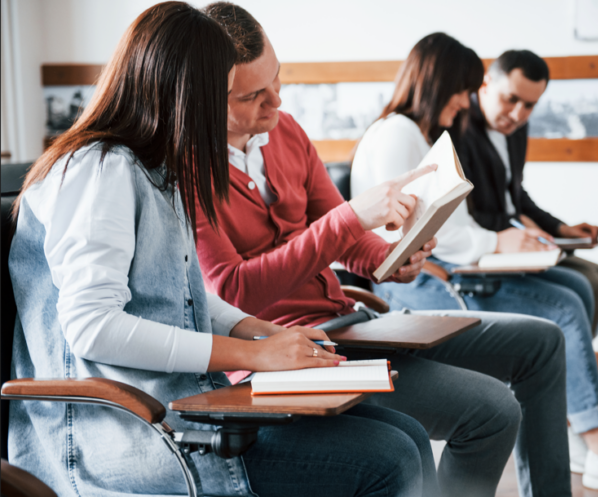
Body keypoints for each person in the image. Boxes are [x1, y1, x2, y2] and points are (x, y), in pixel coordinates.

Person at [7, 3, 437, 496]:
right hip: (121, 432)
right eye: (226, 97)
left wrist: (258, 331)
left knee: (408, 436)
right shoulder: (98, 171)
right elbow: (92, 327)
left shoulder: (152, 168)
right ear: (183, 94)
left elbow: (178, 287)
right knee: (390, 458)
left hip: (177, 406)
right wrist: (256, 355)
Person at [196, 4, 570, 496]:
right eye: (253, 96)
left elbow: (346, 238)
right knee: (491, 411)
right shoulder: (188, 165)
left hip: (349, 319)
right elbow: (234, 289)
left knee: (543, 341)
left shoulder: (286, 132)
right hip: (289, 349)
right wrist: (349, 220)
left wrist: (390, 259)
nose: (277, 104)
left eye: (278, 81)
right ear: (203, 97)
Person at [351, 34, 598, 495]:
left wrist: (527, 237)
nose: (467, 101)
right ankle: (597, 441)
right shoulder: (401, 135)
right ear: (441, 84)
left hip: (452, 262)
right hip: (428, 280)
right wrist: (496, 242)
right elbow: (406, 238)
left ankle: (577, 422)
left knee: (578, 294)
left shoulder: (420, 134)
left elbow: (460, 219)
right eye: (465, 89)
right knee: (563, 307)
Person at [455, 49, 598, 335]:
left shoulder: (516, 129)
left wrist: (561, 228)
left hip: (519, 237)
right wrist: (519, 227)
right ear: (485, 85)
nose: (518, 114)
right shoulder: (458, 128)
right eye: (510, 99)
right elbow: (466, 214)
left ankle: (565, 362)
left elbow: (516, 195)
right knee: (591, 284)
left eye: (529, 105)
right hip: (487, 247)